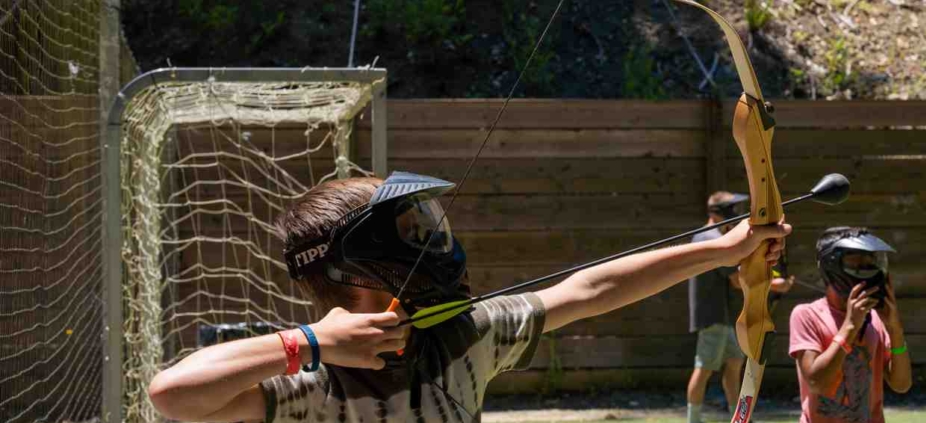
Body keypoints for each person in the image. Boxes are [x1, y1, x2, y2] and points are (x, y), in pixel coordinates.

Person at [147, 171, 791, 423]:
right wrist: (309, 343)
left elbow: (588, 289)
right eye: (413, 232)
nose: (433, 239)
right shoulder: (305, 381)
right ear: (364, 264)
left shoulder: (465, 334)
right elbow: (171, 394)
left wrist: (719, 252)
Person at [685, 192, 791, 423]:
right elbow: (736, 279)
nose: (734, 213)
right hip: (711, 315)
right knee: (703, 369)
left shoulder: (712, 236)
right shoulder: (709, 239)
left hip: (723, 316)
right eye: (729, 208)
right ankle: (693, 420)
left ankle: (741, 417)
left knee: (734, 364)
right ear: (715, 213)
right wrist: (775, 285)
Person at [788, 227, 912, 423]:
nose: (866, 270)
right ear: (832, 267)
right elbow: (816, 382)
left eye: (870, 263)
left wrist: (895, 330)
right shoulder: (807, 315)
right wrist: (850, 327)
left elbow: (902, 384)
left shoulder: (875, 319)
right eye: (856, 263)